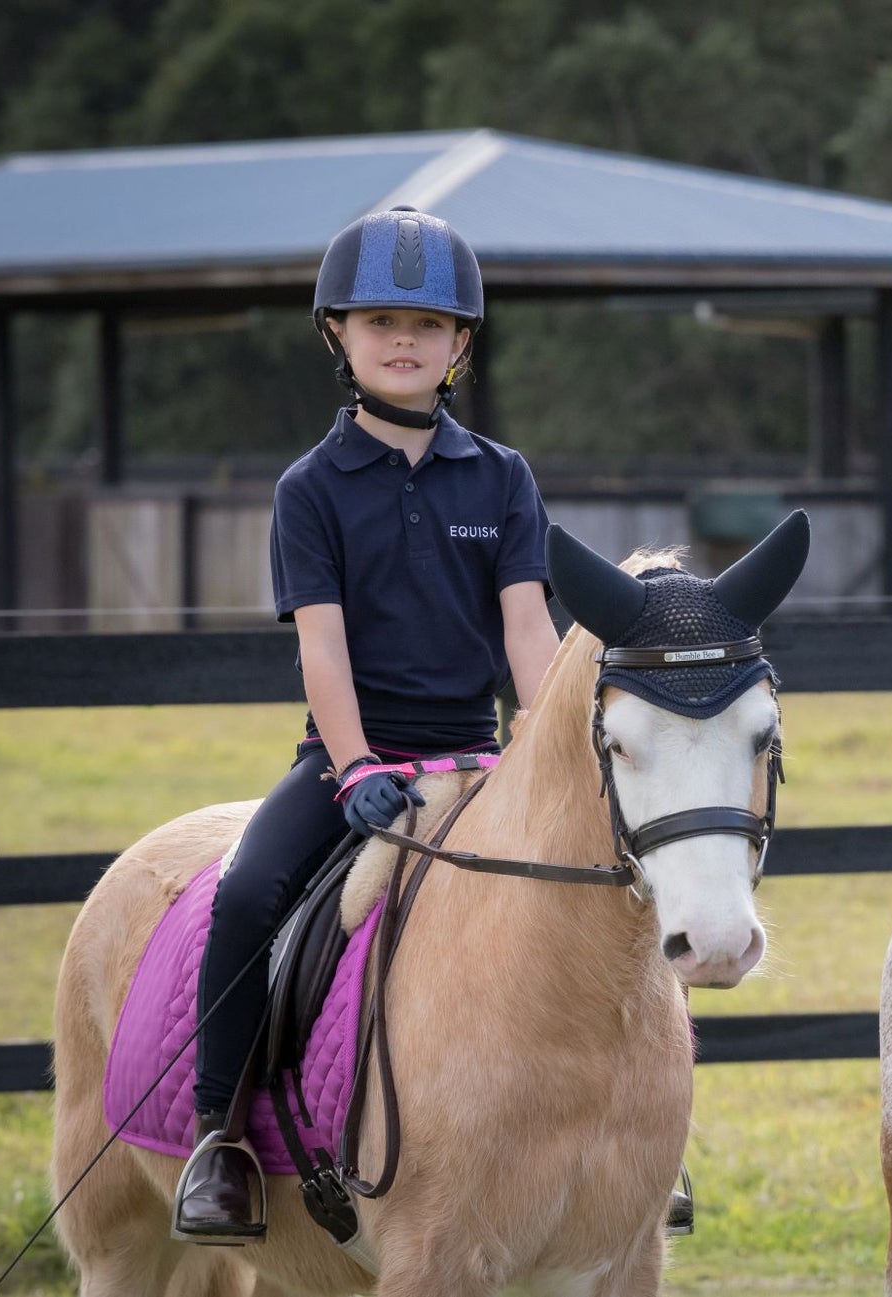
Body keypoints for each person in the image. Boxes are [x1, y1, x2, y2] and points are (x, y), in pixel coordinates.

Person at [174, 207, 559, 1240]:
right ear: (336, 334)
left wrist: (550, 750)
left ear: (461, 346)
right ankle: (219, 1139)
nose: (405, 340)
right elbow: (322, 650)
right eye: (382, 319)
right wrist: (351, 768)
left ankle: (626, 1137)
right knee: (250, 890)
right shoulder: (310, 488)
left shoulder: (503, 478)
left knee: (604, 891)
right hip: (353, 761)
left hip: (477, 755)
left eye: (429, 326)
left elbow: (528, 632)